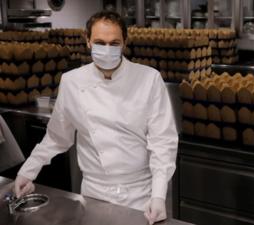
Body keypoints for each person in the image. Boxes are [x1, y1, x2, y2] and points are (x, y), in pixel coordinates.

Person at [13, 11, 178, 225]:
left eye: (114, 43)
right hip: (94, 193)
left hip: (141, 195)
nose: (107, 49)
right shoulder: (72, 82)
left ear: (124, 43)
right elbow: (56, 137)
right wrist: (28, 170)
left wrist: (158, 195)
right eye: (100, 42)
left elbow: (162, 143)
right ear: (88, 41)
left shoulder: (149, 79)